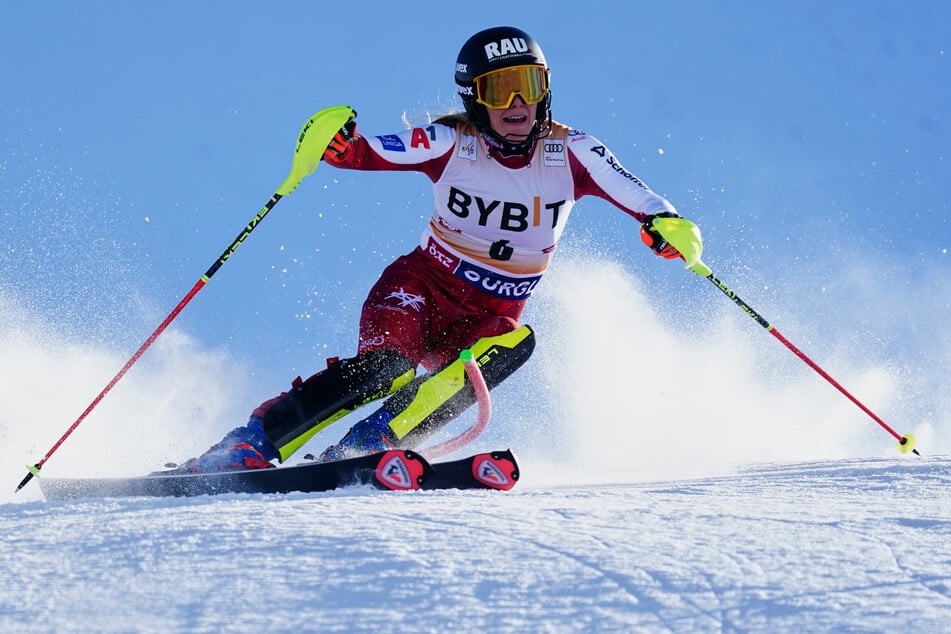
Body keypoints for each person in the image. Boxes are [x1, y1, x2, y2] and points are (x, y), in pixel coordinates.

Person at [181, 25, 697, 472]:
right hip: (421, 289)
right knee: (387, 367)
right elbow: (366, 153)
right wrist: (337, 144)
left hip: (488, 316)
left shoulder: (572, 152)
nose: (517, 105)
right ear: (475, 99)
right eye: (500, 91)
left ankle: (370, 444)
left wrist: (668, 227)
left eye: (529, 87)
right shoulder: (454, 144)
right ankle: (251, 442)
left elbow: (644, 199)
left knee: (512, 345)